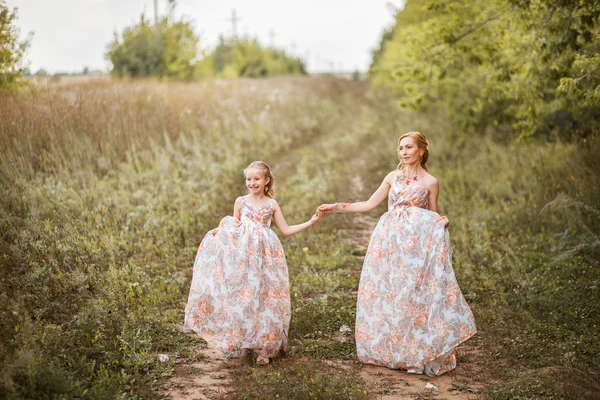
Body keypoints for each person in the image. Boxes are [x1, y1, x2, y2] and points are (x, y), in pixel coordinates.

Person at [318, 132, 476, 376]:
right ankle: (390, 350)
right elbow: (369, 204)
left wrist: (442, 222)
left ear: (421, 151)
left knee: (412, 294)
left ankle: (415, 351)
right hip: (389, 242)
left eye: (409, 147)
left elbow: (433, 216)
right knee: (390, 293)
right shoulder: (392, 177)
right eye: (401, 147)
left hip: (415, 247)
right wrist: (336, 207)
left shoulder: (431, 182)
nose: (404, 152)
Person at [184, 161, 321, 365]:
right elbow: (234, 226)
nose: (252, 182)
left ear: (266, 180)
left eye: (256, 179)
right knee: (244, 295)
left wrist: (311, 221)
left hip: (267, 254)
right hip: (244, 255)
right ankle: (244, 340)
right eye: (249, 179)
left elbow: (286, 230)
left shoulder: (271, 205)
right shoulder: (240, 201)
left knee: (266, 295)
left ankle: (264, 346)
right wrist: (219, 232)